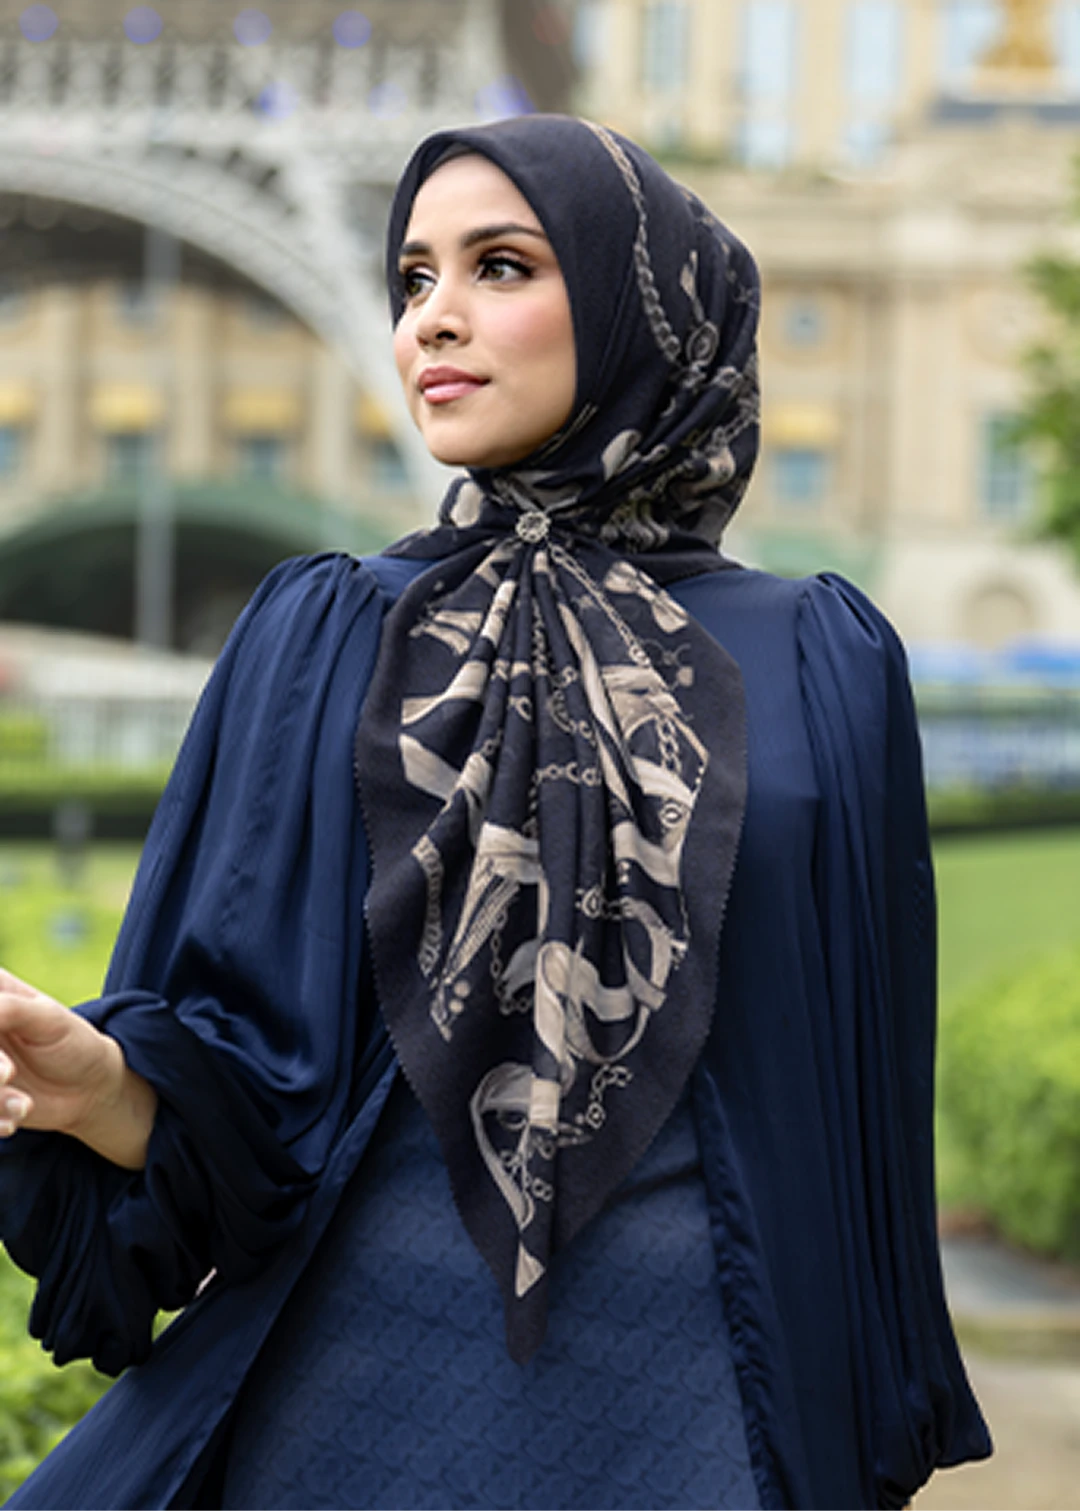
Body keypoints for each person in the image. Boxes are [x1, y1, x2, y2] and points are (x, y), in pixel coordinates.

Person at [0, 115, 990, 1509]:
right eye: (413, 278)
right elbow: (248, 1068)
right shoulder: (321, 631)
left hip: (711, 1405)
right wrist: (111, 1088)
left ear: (645, 308)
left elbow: (857, 1094)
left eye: (503, 266)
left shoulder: (823, 654)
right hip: (344, 1396)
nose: (433, 318)